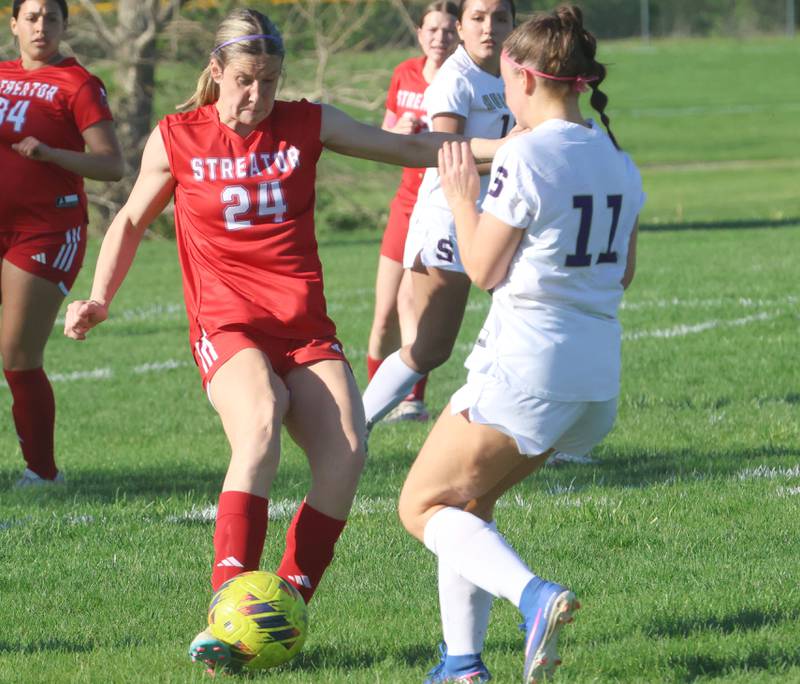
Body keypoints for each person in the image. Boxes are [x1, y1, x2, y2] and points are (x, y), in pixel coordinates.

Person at [61, 7, 505, 675]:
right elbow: (127, 218)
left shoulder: (305, 123)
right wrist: (98, 296)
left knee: (350, 450)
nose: (257, 95)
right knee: (261, 420)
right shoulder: (177, 136)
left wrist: (522, 144)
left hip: (302, 327)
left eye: (269, 81)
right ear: (216, 73)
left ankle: (283, 605)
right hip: (228, 324)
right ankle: (226, 609)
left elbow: (414, 149)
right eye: (244, 80)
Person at [397, 6, 643, 683]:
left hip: (528, 366)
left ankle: (534, 598)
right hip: (595, 378)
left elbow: (482, 268)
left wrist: (460, 195)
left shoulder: (528, 151)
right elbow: (623, 269)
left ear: (529, 77)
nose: (503, 95)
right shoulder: (616, 157)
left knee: (420, 504)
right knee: (470, 505)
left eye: (508, 80)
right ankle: (462, 664)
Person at [362, 0, 515, 431]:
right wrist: (517, 152)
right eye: (478, 19)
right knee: (430, 348)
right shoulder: (455, 78)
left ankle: (538, 434)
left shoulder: (514, 71)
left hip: (501, 216)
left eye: (500, 18)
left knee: (529, 319)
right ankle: (356, 425)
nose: (489, 28)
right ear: (461, 28)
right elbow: (445, 155)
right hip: (450, 218)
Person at [1, 0, 123, 487]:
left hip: (45, 231)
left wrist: (51, 153)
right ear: (13, 24)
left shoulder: (78, 84)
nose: (40, 26)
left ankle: (42, 472)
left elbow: (112, 165)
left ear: (63, 26)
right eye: (31, 17)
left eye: (51, 18)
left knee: (16, 355)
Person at [366, 1, 458, 424]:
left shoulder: (463, 78)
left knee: (411, 303)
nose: (440, 37)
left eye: (447, 29)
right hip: (405, 203)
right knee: (383, 315)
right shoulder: (404, 73)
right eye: (432, 29)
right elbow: (383, 133)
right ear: (420, 34)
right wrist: (396, 132)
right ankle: (369, 403)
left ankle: (411, 403)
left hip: (440, 205)